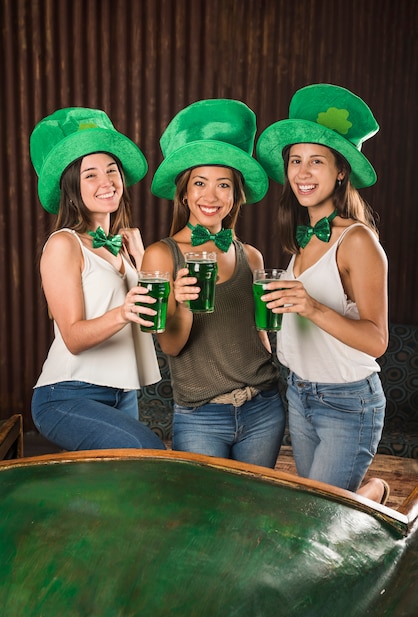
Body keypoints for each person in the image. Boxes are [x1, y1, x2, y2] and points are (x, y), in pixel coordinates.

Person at [256, 84, 390, 503]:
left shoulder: (357, 240)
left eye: (317, 161)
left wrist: (311, 306)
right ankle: (366, 495)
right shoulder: (301, 240)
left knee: (314, 517)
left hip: (347, 401)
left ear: (341, 171)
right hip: (299, 392)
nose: (303, 173)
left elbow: (377, 340)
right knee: (313, 512)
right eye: (296, 160)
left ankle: (373, 494)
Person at [141, 99, 286, 468]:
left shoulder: (251, 256)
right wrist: (184, 302)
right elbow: (171, 347)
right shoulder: (161, 255)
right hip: (200, 416)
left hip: (263, 408)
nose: (211, 196)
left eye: (224, 185)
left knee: (253, 510)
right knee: (204, 518)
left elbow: (259, 331)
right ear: (185, 192)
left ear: (236, 194)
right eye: (200, 183)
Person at [29, 107, 165, 452]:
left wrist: (142, 262)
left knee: (116, 495)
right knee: (150, 454)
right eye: (90, 175)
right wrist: (123, 312)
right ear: (72, 186)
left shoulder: (124, 248)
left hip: (123, 393)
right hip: (68, 395)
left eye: (111, 170)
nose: (106, 182)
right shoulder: (64, 243)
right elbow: (73, 337)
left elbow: (153, 324)